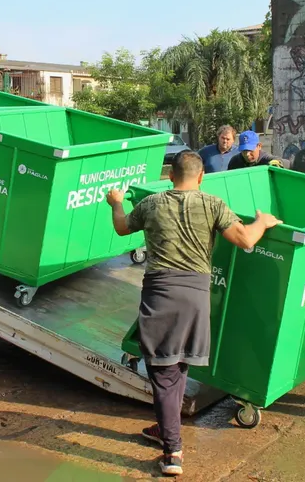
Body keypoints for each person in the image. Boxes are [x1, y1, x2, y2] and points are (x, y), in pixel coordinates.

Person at [106, 151, 280, 476]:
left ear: (171, 175)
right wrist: (263, 222)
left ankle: (172, 452)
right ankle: (165, 428)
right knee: (179, 364)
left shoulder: (153, 203)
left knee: (162, 373)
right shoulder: (212, 204)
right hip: (197, 296)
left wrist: (115, 202)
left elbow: (120, 227)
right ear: (201, 178)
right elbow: (245, 240)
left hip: (162, 295)